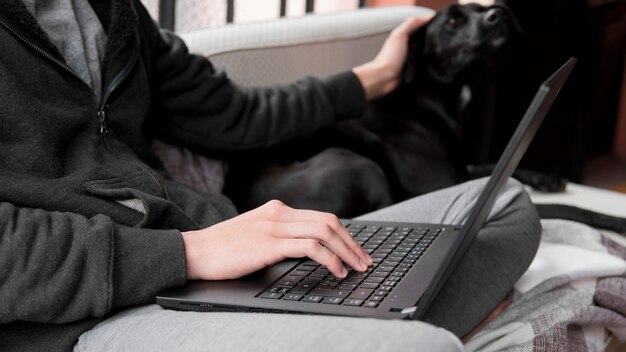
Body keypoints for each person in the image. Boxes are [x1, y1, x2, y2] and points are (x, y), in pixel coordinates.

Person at [0, 0, 541, 351]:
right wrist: (189, 253)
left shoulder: (111, 10)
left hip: (219, 256)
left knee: (506, 205)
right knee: (419, 348)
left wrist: (374, 76)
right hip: (78, 314)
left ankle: (378, 310)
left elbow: (237, 115)